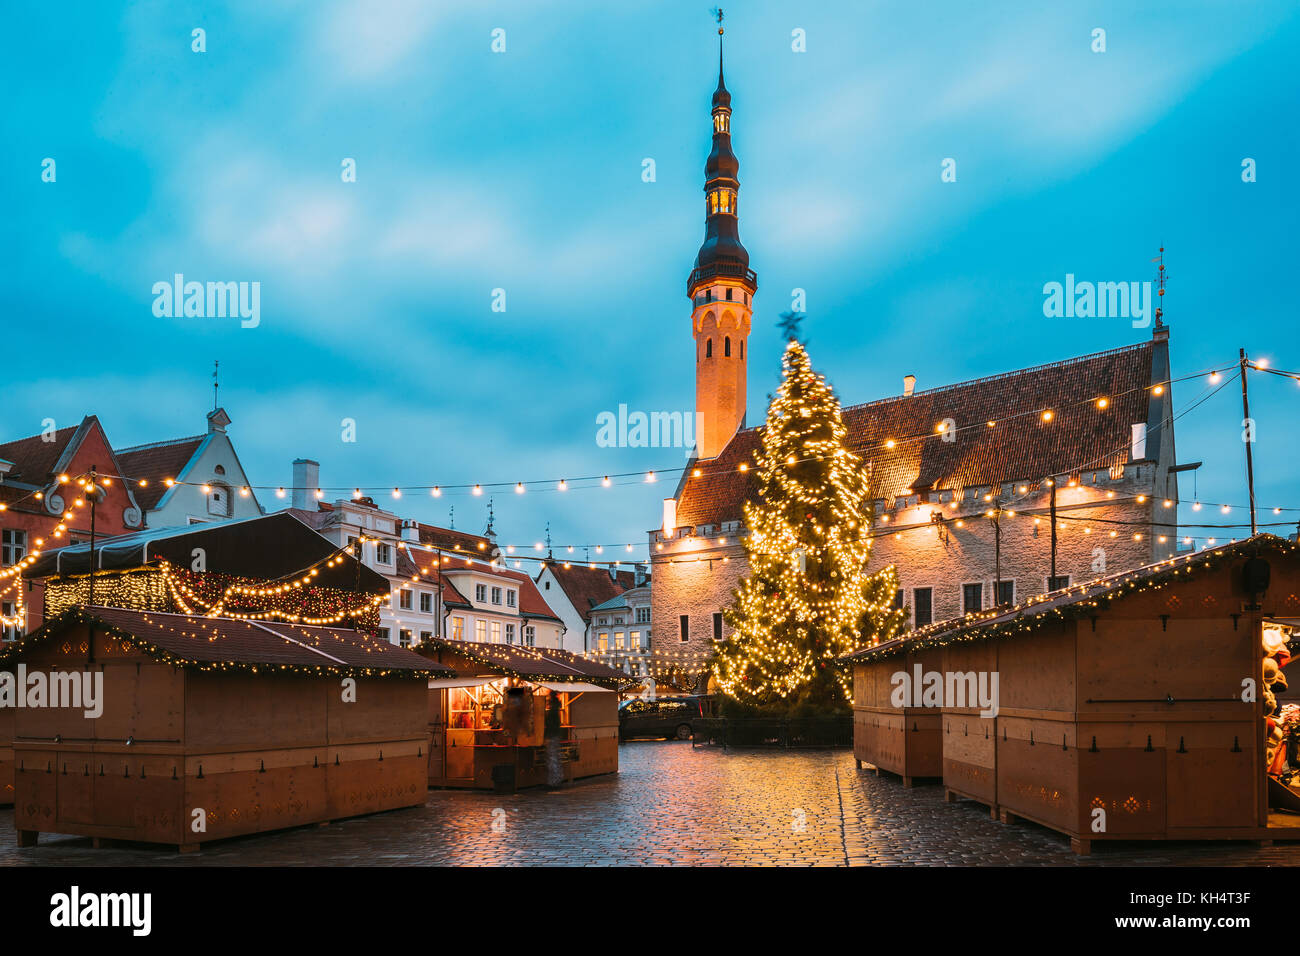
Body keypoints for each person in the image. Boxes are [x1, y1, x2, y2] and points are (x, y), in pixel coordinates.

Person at [544, 693, 564, 787]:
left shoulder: (552, 712)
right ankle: (556, 779)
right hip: (555, 736)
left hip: (551, 736)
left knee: (552, 759)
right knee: (555, 758)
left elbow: (549, 724)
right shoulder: (556, 711)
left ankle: (553, 782)